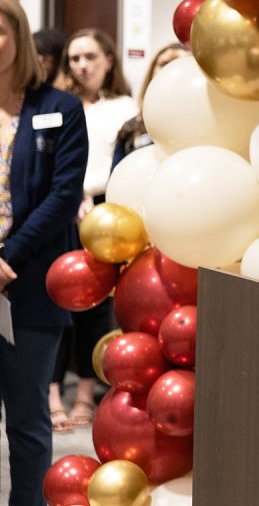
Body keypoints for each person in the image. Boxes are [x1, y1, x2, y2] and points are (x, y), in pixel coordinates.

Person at [0, 0, 88, 504]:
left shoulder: (60, 108)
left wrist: (8, 259)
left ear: (19, 35)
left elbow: (62, 196)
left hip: (31, 283)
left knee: (29, 421)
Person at [48, 28, 136, 431]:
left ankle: (84, 392)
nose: (81, 66)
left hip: (109, 209)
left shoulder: (125, 106)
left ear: (108, 60)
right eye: (74, 59)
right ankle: (52, 395)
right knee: (56, 296)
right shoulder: (56, 105)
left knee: (95, 304)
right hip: (62, 205)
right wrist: (70, 199)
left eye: (89, 57)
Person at [110, 42, 189, 169]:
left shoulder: (208, 126)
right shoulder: (131, 129)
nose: (171, 70)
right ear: (151, 73)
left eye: (179, 63)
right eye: (164, 64)